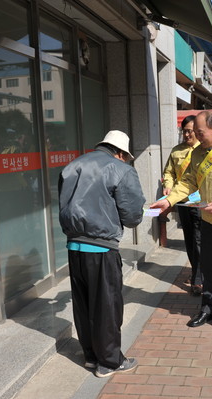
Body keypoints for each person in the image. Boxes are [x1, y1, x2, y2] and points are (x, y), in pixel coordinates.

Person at [150, 110, 212, 338]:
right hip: (208, 221)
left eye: (200, 132)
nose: (195, 136)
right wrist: (168, 200)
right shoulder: (197, 154)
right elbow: (187, 182)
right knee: (208, 268)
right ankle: (208, 309)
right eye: (193, 132)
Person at [58, 130, 145, 378]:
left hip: (74, 246)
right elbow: (131, 216)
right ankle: (109, 362)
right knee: (107, 306)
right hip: (101, 247)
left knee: (84, 304)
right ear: (120, 153)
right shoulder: (120, 169)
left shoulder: (72, 165)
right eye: (125, 157)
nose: (125, 161)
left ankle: (91, 356)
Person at [162, 115, 202, 296]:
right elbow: (169, 172)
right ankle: (197, 271)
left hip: (202, 203)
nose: (187, 134)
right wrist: (168, 185)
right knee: (190, 240)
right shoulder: (176, 151)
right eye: (184, 131)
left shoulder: (205, 150)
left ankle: (199, 277)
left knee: (200, 240)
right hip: (184, 203)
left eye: (190, 131)